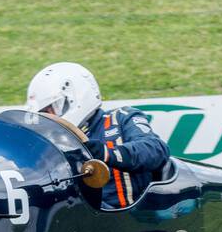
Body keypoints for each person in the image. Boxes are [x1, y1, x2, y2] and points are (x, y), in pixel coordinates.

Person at [25, 62, 170, 210]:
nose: (48, 118)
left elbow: (156, 149)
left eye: (50, 110)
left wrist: (107, 153)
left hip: (127, 220)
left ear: (73, 98)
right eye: (42, 114)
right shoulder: (49, 142)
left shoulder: (120, 118)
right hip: (73, 218)